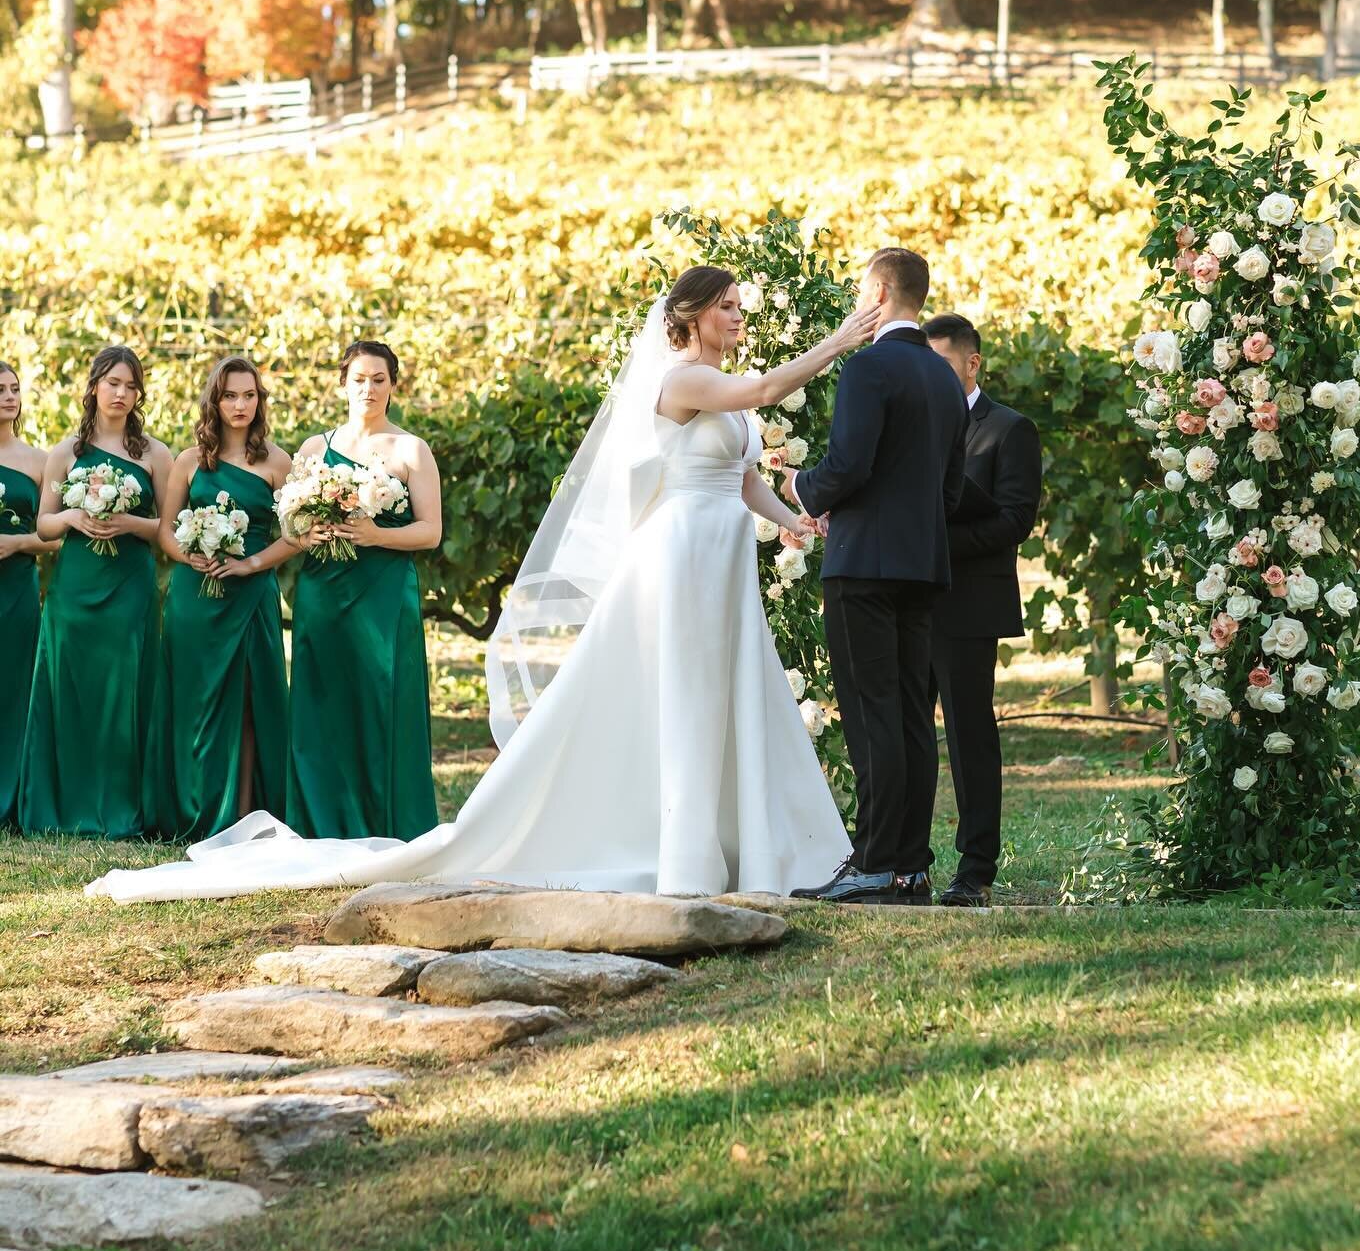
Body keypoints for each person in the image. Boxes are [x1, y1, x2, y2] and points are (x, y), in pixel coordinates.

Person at [86, 272, 876, 904]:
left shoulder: (721, 384)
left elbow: (742, 479)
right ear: (694, 315)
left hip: (724, 552)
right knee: (681, 696)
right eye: (729, 307)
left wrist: (796, 519)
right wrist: (840, 339)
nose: (739, 316)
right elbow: (766, 393)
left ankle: (745, 843)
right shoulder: (681, 383)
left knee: (731, 693)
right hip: (681, 558)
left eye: (740, 307)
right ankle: (680, 845)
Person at [784, 248, 969, 907]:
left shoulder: (868, 368)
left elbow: (848, 464)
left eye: (863, 293)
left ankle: (875, 863)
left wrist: (799, 486)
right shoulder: (948, 379)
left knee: (871, 714)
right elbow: (951, 491)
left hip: (863, 565)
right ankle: (911, 868)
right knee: (914, 717)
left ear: (881, 293)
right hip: (922, 566)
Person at [284, 341, 443, 841]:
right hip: (323, 594)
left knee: (381, 701)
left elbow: (431, 531)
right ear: (342, 384)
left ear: (393, 385)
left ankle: (386, 822)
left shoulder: (411, 450)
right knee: (321, 703)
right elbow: (289, 528)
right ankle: (320, 822)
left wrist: (378, 536)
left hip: (383, 596)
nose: (368, 388)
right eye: (359, 378)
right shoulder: (314, 448)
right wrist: (307, 532)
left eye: (378, 378)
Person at [20, 346, 171, 838]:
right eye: (113, 384)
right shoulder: (66, 452)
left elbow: (169, 530)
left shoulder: (154, 453)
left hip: (129, 587)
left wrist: (130, 521)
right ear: (94, 388)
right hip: (75, 591)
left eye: (130, 386)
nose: (122, 394)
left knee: (125, 690)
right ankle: (64, 805)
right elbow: (44, 526)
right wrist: (70, 516)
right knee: (73, 691)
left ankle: (125, 806)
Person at [146, 356, 294, 840]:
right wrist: (190, 558)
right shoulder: (190, 461)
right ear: (215, 400)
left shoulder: (278, 462)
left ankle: (244, 815)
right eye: (230, 395)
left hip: (251, 597)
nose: (240, 404)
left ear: (259, 400)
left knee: (251, 701)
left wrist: (250, 564)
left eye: (249, 395)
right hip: (196, 595)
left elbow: (297, 535)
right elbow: (166, 532)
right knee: (195, 701)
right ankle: (190, 809)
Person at [923, 315, 1042, 908]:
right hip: (907, 601)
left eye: (942, 366)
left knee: (968, 736)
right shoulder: (913, 426)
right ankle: (903, 862)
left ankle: (975, 868)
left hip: (968, 603)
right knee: (905, 731)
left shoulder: (1009, 430)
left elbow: (1014, 520)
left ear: (971, 365)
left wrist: (937, 543)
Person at [0, 363, 61, 826]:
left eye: (15, 389)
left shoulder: (39, 461)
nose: (9, 397)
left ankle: (12, 796)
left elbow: (56, 536)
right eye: (0, 390)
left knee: (15, 685)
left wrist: (16, 543)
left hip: (18, 586)